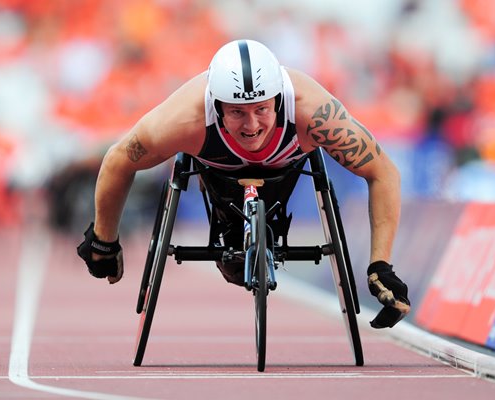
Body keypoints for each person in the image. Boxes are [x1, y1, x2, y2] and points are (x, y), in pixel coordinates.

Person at [77, 39, 410, 328]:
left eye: (262, 109)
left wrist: (380, 265)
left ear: (279, 100)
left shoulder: (314, 112)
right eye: (237, 112)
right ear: (217, 106)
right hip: (217, 177)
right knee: (232, 259)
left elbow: (383, 172)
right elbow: (119, 159)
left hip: (285, 173)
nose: (251, 125)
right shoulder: (184, 118)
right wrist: (104, 238)